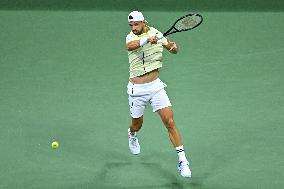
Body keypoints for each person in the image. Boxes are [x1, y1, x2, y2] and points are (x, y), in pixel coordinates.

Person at [125, 11, 191, 178]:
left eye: (136, 24)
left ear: (143, 22)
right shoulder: (130, 38)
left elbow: (172, 49)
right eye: (131, 25)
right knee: (137, 124)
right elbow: (130, 46)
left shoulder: (157, 34)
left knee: (169, 121)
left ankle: (182, 160)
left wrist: (173, 47)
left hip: (155, 87)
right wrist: (147, 39)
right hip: (137, 90)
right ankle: (132, 134)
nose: (133, 28)